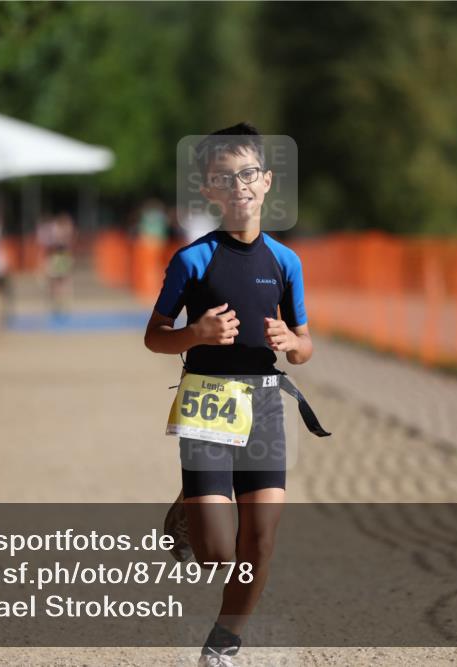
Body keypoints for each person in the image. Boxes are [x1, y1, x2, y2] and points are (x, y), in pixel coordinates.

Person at [144, 123, 328, 666]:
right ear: (209, 189)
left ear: (267, 182)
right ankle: (191, 507)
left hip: (267, 404)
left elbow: (306, 347)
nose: (240, 186)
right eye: (226, 178)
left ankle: (223, 645)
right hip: (207, 400)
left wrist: (293, 342)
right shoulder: (192, 261)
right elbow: (154, 337)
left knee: (261, 544)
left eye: (249, 174)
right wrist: (195, 335)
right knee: (217, 553)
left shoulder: (285, 262)